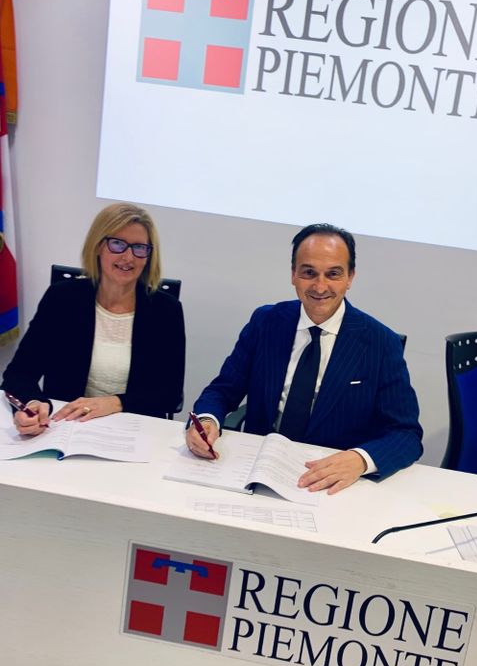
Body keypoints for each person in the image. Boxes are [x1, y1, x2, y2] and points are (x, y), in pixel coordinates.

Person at [186, 223, 422, 494]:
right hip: (256, 472)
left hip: (330, 484)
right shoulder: (266, 322)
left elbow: (406, 434)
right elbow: (222, 390)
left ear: (350, 277)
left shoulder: (381, 343)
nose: (320, 286)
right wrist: (207, 420)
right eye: (309, 273)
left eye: (333, 274)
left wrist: (359, 460)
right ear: (293, 275)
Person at [1, 202, 185, 434]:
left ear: (149, 255)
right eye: (117, 244)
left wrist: (115, 403)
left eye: (139, 248)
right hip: (65, 429)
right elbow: (19, 373)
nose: (128, 257)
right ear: (98, 246)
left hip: (133, 433)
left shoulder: (166, 310)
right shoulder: (62, 299)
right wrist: (33, 403)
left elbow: (170, 394)